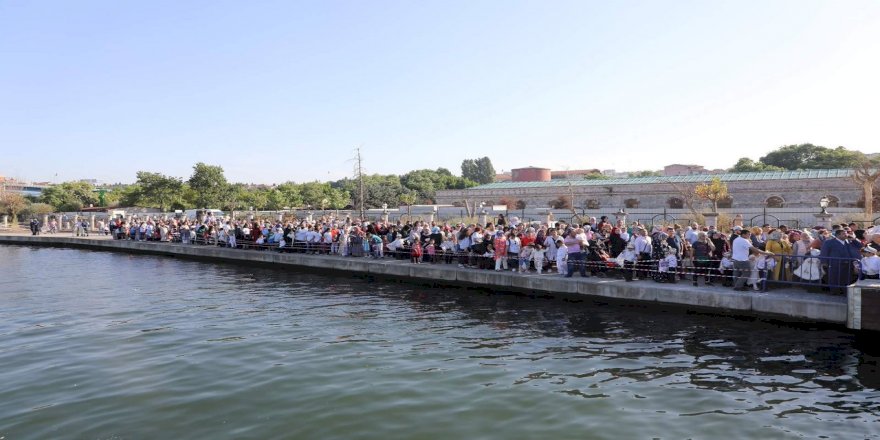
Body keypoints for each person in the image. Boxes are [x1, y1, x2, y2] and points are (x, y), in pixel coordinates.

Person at [820, 228, 862, 293]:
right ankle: (834, 292)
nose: (846, 235)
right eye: (843, 234)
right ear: (838, 235)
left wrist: (854, 239)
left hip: (848, 264)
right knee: (834, 278)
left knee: (847, 278)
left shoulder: (849, 241)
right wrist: (824, 262)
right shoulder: (829, 242)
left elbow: (860, 246)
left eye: (846, 233)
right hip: (835, 263)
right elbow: (824, 252)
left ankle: (845, 292)